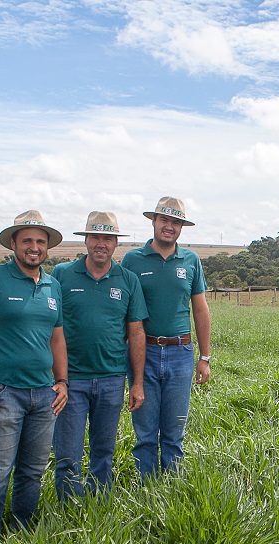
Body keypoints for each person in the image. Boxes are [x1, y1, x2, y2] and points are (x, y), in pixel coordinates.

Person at [0, 210, 69, 541]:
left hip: (43, 395)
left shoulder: (53, 286)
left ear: (47, 246)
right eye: (27, 241)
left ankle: (22, 533)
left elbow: (57, 337)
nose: (33, 247)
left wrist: (62, 382)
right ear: (13, 244)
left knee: (32, 472)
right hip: (2, 393)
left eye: (40, 241)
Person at [51, 211, 147, 502]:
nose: (101, 244)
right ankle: (68, 509)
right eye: (95, 237)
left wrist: (137, 382)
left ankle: (99, 505)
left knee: (104, 451)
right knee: (67, 452)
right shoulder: (62, 274)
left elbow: (137, 332)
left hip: (111, 378)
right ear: (86, 240)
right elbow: (50, 327)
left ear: (116, 243)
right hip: (71, 381)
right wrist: (56, 377)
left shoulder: (127, 280)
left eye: (108, 238)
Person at [120, 196, 212, 477]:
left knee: (174, 432)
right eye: (164, 220)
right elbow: (122, 310)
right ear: (154, 221)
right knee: (145, 432)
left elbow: (199, 309)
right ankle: (146, 489)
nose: (169, 227)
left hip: (180, 353)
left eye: (175, 222)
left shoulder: (191, 260)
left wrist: (204, 357)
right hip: (142, 353)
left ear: (181, 227)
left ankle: (171, 491)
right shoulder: (132, 260)